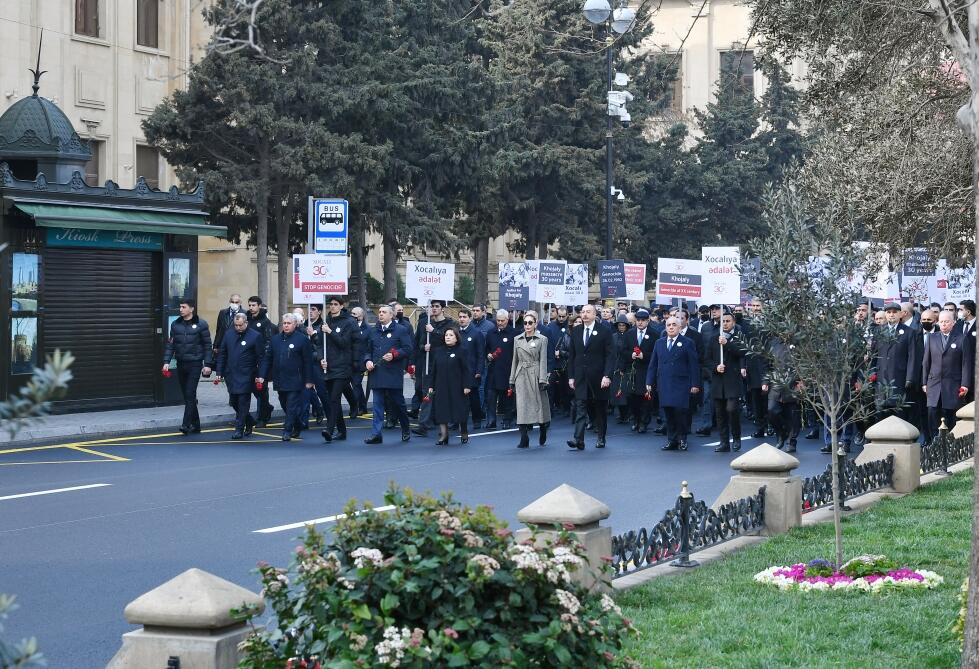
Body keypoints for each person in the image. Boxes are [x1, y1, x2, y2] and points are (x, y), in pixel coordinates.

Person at [645, 316, 700, 451]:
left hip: (681, 383)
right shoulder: (659, 342)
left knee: (680, 412)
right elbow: (653, 364)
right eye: (668, 325)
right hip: (665, 382)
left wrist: (695, 384)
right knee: (668, 413)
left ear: (679, 327)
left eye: (674, 325)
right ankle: (672, 440)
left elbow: (694, 365)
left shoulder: (687, 342)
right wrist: (649, 381)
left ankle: (682, 439)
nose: (671, 327)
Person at [566, 304, 616, 450]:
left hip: (599, 377)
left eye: (588, 312)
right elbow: (572, 356)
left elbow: (610, 356)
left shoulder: (604, 331)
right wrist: (571, 376)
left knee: (600, 408)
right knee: (581, 407)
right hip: (581, 376)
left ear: (595, 315)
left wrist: (607, 375)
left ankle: (601, 437)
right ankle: (578, 440)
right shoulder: (576, 331)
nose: (585, 314)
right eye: (583, 312)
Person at [259, 313, 313, 441]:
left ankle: (287, 430)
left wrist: (309, 380)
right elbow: (267, 359)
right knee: (284, 404)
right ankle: (298, 424)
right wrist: (262, 375)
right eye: (284, 323)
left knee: (291, 406)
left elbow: (308, 361)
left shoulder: (302, 339)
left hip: (295, 379)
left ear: (295, 325)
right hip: (280, 378)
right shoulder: (275, 339)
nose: (286, 326)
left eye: (289, 323)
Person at [163, 298, 213, 435]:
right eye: (180, 307)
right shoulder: (175, 325)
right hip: (181, 363)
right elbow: (171, 345)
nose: (180, 309)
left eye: (183, 307)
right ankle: (196, 425)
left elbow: (208, 346)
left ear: (191, 309)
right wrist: (166, 361)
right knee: (187, 395)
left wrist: (207, 364)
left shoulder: (201, 324)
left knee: (190, 393)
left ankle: (186, 424)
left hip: (195, 364)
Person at [363, 305, 413, 444]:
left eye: (384, 312)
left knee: (398, 403)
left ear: (391, 315)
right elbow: (367, 350)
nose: (380, 314)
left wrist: (394, 354)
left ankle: (405, 428)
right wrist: (367, 361)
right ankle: (376, 434)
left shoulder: (400, 330)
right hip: (377, 372)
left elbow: (408, 349)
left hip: (393, 373)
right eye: (379, 312)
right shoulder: (374, 331)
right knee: (377, 404)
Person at [314, 296, 358, 443]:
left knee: (334, 398)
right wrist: (321, 359)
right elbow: (319, 344)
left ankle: (330, 429)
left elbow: (344, 343)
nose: (332, 307)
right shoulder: (326, 322)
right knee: (332, 400)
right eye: (330, 304)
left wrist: (330, 331)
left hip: (343, 366)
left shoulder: (348, 322)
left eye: (335, 304)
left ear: (341, 306)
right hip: (329, 367)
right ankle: (342, 431)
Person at [214, 312, 265, 439]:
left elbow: (261, 358)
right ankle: (249, 420)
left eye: (240, 325)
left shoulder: (255, 336)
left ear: (246, 323)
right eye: (236, 325)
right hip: (230, 374)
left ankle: (239, 428)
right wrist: (219, 372)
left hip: (247, 374)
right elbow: (222, 354)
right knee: (235, 402)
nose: (238, 328)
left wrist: (260, 375)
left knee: (243, 402)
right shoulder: (229, 334)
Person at [922, 310, 972, 435]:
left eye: (947, 321)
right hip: (934, 384)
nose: (943, 324)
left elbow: (966, 363)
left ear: (953, 322)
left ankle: (950, 446)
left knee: (950, 414)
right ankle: (933, 443)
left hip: (952, 384)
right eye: (941, 321)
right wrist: (924, 382)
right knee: (932, 413)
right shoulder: (932, 338)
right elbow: (926, 362)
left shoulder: (962, 338)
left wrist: (965, 384)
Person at [704, 310, 747, 452]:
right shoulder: (713, 338)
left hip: (733, 380)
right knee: (720, 413)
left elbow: (742, 352)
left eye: (728, 321)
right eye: (723, 321)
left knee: (732, 409)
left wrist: (727, 343)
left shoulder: (739, 337)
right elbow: (707, 360)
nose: (725, 323)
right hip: (718, 381)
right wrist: (716, 368)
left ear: (733, 322)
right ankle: (724, 442)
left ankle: (736, 437)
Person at [509, 311, 550, 448]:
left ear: (535, 324)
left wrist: (543, 379)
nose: (527, 325)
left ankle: (543, 428)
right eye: (525, 323)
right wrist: (512, 380)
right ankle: (524, 437)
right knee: (521, 406)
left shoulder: (542, 339)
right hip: (521, 374)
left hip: (535, 373)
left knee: (538, 405)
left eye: (530, 323)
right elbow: (514, 360)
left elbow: (543, 360)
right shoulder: (517, 339)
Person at [428, 326, 474, 445]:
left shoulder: (462, 350)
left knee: (460, 409)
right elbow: (433, 370)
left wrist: (467, 385)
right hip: (441, 385)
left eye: (451, 335)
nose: (448, 337)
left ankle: (463, 431)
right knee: (441, 410)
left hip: (457, 386)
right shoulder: (438, 351)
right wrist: (431, 385)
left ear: (456, 338)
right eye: (446, 335)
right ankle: (444, 435)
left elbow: (467, 370)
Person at [872, 302, 916, 422]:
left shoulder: (909, 332)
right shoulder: (878, 331)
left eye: (894, 312)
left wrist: (909, 378)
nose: (891, 315)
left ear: (901, 314)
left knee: (899, 414)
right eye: (888, 312)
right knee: (881, 413)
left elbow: (912, 357)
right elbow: (873, 355)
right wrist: (871, 374)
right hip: (881, 378)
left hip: (899, 378)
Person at [765, 339, 802, 452]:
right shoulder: (773, 343)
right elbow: (767, 365)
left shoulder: (800, 343)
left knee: (792, 415)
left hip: (794, 383)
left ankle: (791, 441)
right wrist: (765, 382)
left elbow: (806, 364)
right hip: (776, 383)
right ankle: (781, 433)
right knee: (772, 410)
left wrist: (803, 381)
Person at [246, 296, 277, 426]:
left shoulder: (265, 322)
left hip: (261, 360)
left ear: (259, 306)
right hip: (248, 360)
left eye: (254, 305)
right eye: (250, 305)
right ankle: (267, 407)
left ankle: (263, 417)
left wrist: (264, 360)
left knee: (261, 388)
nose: (251, 308)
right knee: (251, 387)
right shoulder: (246, 319)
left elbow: (269, 341)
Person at [484, 309, 516, 429]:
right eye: (498, 320)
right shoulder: (491, 333)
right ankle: (491, 420)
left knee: (507, 397)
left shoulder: (513, 333)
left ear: (507, 320)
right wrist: (488, 355)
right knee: (491, 397)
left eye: (502, 320)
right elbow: (486, 348)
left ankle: (507, 419)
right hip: (493, 370)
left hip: (507, 371)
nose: (500, 323)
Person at [627, 309, 657, 432]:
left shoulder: (654, 334)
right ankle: (636, 419)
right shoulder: (630, 333)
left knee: (645, 398)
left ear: (648, 321)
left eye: (643, 320)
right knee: (633, 398)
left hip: (646, 370)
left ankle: (644, 422)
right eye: (638, 320)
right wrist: (631, 355)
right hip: (632, 370)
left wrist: (644, 356)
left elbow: (656, 354)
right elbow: (622, 351)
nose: (640, 323)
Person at [457, 308, 486, 427]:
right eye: (460, 317)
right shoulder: (455, 333)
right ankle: (456, 420)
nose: (462, 319)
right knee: (458, 396)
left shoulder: (476, 333)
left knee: (473, 397)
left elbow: (480, 354)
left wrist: (479, 370)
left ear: (469, 318)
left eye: (464, 317)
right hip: (458, 370)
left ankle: (477, 419)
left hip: (472, 370)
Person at [610, 314, 633, 423]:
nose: (621, 327)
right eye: (619, 325)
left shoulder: (630, 336)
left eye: (623, 325)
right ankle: (621, 413)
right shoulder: (613, 336)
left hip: (627, 367)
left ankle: (627, 414)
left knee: (625, 391)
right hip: (615, 367)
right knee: (616, 391)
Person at [213, 293, 243, 360]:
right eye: (232, 302)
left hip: (237, 344)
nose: (234, 304)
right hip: (223, 343)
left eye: (236, 302)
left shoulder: (245, 313)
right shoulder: (223, 312)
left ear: (240, 303)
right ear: (230, 302)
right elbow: (218, 330)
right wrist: (215, 345)